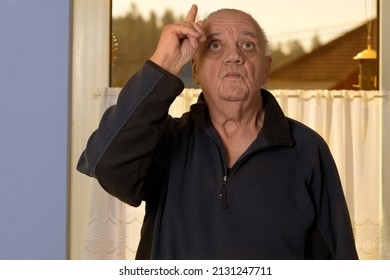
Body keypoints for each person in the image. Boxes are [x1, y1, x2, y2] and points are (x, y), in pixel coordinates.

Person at [77, 5, 358, 260]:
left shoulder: (307, 150)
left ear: (266, 69)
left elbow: (340, 259)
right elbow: (105, 163)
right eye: (214, 46)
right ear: (195, 70)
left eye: (247, 45)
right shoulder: (164, 141)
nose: (234, 56)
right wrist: (163, 62)